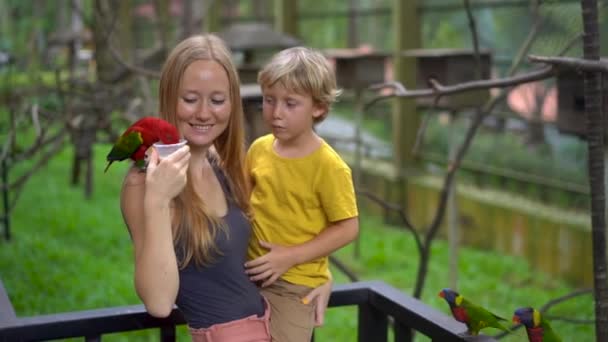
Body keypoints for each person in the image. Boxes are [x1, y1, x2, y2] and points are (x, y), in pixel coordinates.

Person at [120, 34, 331, 342]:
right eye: (190, 99)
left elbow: (278, 232)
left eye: (217, 101)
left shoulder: (223, 164)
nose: (204, 113)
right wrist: (157, 200)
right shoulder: (143, 182)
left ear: (232, 103)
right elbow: (159, 303)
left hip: (275, 325)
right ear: (168, 97)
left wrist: (317, 274)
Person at [245, 46, 360, 342]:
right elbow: (241, 204)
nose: (276, 113)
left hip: (296, 285)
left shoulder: (329, 166)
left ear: (318, 107)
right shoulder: (258, 149)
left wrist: (290, 257)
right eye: (269, 100)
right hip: (247, 273)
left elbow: (348, 227)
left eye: (290, 103)